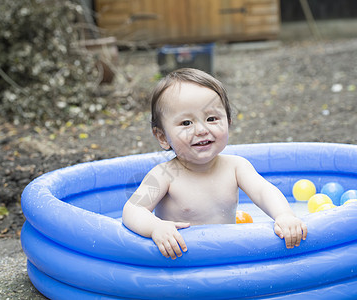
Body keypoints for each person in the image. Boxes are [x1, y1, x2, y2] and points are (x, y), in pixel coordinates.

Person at [122, 68, 307, 259]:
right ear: (162, 136)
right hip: (183, 260)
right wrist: (156, 227)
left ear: (228, 121)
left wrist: (284, 215)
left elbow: (263, 191)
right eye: (186, 123)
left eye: (212, 119)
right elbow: (133, 209)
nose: (202, 130)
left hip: (227, 258)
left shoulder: (236, 167)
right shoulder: (164, 175)